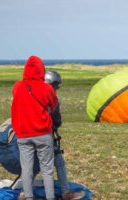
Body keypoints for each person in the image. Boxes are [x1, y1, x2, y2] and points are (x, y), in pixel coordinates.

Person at [11, 56, 58, 200]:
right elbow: (54, 105)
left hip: (23, 134)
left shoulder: (18, 86)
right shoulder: (47, 88)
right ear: (41, 70)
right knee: (47, 170)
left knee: (26, 169)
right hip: (43, 133)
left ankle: (29, 197)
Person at [44, 70, 86, 200]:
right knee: (53, 164)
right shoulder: (52, 98)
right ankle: (64, 193)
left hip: (31, 136)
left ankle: (26, 192)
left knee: (34, 165)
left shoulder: (30, 95)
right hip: (45, 136)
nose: (57, 88)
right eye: (56, 85)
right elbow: (56, 120)